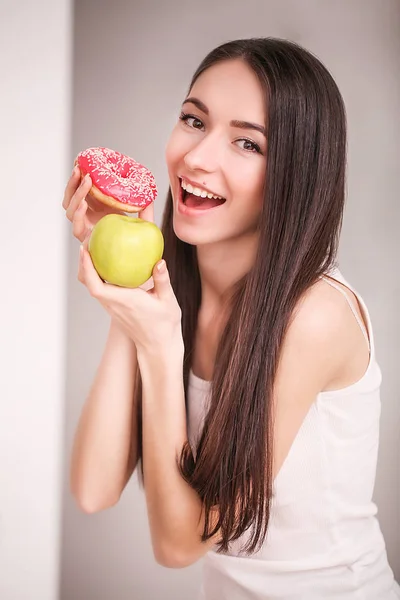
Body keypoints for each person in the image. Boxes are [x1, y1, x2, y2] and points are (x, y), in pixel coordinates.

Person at [63, 38, 400, 600]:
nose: (197, 158)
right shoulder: (179, 284)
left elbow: (178, 546)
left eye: (248, 142)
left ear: (295, 174)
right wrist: (126, 285)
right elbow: (93, 489)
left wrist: (161, 348)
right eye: (194, 121)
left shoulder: (315, 317)